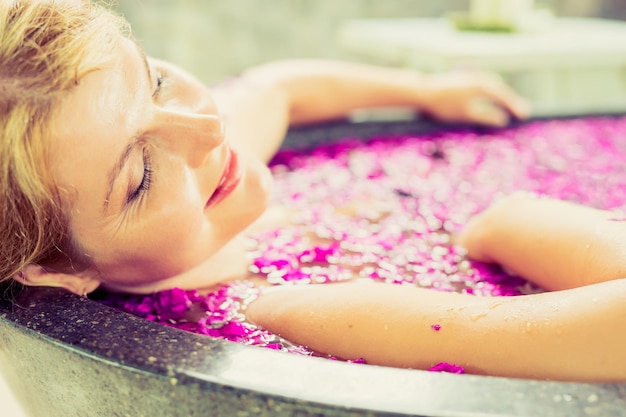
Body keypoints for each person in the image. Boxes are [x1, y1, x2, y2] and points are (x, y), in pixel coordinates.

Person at [1, 0, 624, 382]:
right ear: (55, 269)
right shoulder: (294, 309)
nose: (208, 125)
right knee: (514, 220)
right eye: (140, 178)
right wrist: (520, 229)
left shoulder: (205, 160)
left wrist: (422, 89)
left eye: (157, 80)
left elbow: (280, 87)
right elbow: (494, 335)